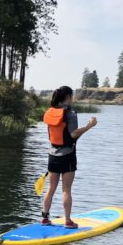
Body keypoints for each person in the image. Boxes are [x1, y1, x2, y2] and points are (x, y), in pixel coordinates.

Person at [41, 86, 97, 229]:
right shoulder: (70, 113)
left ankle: (45, 218)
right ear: (67, 97)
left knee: (51, 188)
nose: (73, 98)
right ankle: (67, 221)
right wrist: (89, 126)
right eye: (71, 96)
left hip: (52, 155)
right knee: (66, 190)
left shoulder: (50, 112)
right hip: (67, 156)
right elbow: (73, 135)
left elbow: (54, 135)